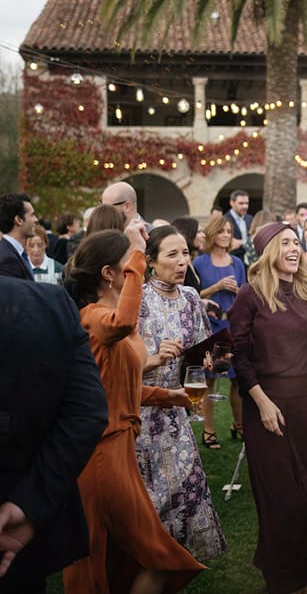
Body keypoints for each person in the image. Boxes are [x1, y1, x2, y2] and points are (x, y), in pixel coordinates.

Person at [62, 223, 205, 592]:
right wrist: (140, 253)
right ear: (109, 274)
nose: (135, 273)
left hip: (119, 445)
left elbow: (113, 386)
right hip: (102, 451)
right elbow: (125, 321)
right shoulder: (95, 317)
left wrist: (164, 396)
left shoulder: (108, 320)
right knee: (123, 553)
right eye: (128, 266)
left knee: (120, 553)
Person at [229, 222, 307, 594]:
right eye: (286, 242)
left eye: (297, 242)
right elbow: (239, 355)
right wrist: (260, 401)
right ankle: (286, 580)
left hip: (305, 405)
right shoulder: (251, 294)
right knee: (281, 498)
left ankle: (305, 567)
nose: (295, 248)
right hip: (266, 404)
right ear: (269, 250)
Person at [0, 276, 107, 592]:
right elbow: (86, 413)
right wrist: (29, 504)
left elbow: (87, 412)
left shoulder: (50, 304)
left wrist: (28, 507)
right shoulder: (49, 303)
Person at [135, 226, 227, 560]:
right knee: (149, 502)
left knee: (185, 494)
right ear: (150, 262)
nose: (182, 261)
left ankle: (174, 563)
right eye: (172, 254)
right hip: (142, 415)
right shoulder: (138, 301)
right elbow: (114, 368)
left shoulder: (190, 298)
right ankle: (149, 563)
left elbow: (200, 355)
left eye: (185, 253)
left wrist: (213, 359)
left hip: (178, 415)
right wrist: (155, 357)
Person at [193, 215, 246, 444]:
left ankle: (239, 424)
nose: (226, 235)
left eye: (229, 231)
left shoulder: (237, 263)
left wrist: (238, 292)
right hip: (211, 327)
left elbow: (245, 294)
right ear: (212, 234)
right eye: (222, 231)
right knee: (211, 380)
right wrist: (217, 286)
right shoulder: (200, 263)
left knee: (238, 380)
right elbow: (193, 295)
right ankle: (209, 430)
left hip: (232, 325)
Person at [0, 193, 38, 280]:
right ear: (19, 220)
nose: (36, 220)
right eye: (32, 215)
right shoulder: (7, 259)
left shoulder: (15, 253)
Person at [224, 189, 253, 268]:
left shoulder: (250, 219)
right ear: (232, 203)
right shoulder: (224, 220)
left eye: (247, 203)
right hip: (232, 262)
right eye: (241, 203)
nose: (245, 206)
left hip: (250, 262)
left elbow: (254, 238)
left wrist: (241, 242)